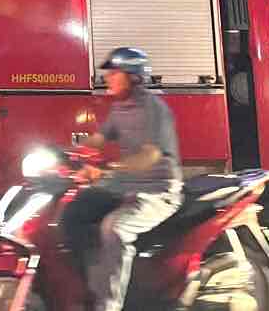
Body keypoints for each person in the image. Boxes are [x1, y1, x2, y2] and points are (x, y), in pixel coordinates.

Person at [63, 47, 183, 311]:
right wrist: (69, 152)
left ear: (134, 77)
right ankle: (89, 282)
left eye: (115, 73)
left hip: (158, 191)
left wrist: (107, 170)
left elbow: (150, 155)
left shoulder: (155, 109)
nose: (108, 77)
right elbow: (101, 138)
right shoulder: (120, 108)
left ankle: (109, 304)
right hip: (127, 187)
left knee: (114, 229)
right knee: (73, 211)